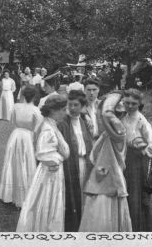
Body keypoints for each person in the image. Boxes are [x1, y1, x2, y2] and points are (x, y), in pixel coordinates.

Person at [79, 92, 132, 232]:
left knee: (103, 213)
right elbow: (94, 156)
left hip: (109, 179)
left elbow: (106, 115)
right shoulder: (107, 134)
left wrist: (113, 98)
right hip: (102, 178)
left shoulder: (119, 132)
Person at [16, 95, 70, 232]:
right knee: (46, 203)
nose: (66, 112)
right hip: (50, 173)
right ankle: (44, 229)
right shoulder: (48, 128)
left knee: (50, 203)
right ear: (54, 111)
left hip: (52, 172)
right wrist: (56, 159)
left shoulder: (52, 125)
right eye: (63, 110)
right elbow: (42, 153)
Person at [121, 89, 152, 231]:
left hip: (137, 162)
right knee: (127, 193)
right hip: (125, 159)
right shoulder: (123, 116)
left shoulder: (141, 120)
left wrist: (144, 150)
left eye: (134, 103)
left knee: (137, 197)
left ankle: (140, 229)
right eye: (127, 103)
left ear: (139, 104)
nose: (130, 106)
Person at [0, 85, 41, 208]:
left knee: (13, 162)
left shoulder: (16, 107)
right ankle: (22, 194)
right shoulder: (36, 110)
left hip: (16, 135)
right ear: (34, 96)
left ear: (23, 95)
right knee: (25, 162)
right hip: (28, 137)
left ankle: (10, 194)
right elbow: (37, 128)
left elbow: (13, 121)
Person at [57, 90, 94, 231]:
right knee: (72, 195)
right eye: (70, 105)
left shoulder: (84, 120)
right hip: (69, 165)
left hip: (84, 163)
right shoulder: (62, 123)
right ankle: (72, 225)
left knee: (84, 193)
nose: (72, 108)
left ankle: (84, 224)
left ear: (82, 106)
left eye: (76, 105)